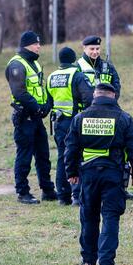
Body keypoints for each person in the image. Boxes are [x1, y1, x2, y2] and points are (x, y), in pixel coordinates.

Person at [65, 83, 133, 265]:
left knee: (89, 216)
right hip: (113, 174)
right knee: (110, 216)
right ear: (114, 96)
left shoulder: (80, 117)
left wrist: (71, 172)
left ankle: (88, 260)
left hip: (89, 174)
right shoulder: (124, 118)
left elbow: (71, 147)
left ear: (95, 95)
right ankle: (107, 264)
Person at [6, 31, 57, 205]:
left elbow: (39, 90)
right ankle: (23, 192)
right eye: (36, 44)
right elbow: (19, 92)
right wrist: (36, 108)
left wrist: (46, 107)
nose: (39, 46)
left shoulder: (33, 63)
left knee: (43, 155)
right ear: (27, 45)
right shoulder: (16, 65)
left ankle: (48, 190)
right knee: (25, 156)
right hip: (25, 118)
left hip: (36, 118)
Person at [46, 46, 94, 206]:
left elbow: (49, 102)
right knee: (78, 156)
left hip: (58, 123)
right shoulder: (77, 75)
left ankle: (63, 196)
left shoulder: (51, 76)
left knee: (62, 157)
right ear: (74, 59)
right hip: (75, 122)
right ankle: (77, 196)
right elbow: (89, 98)